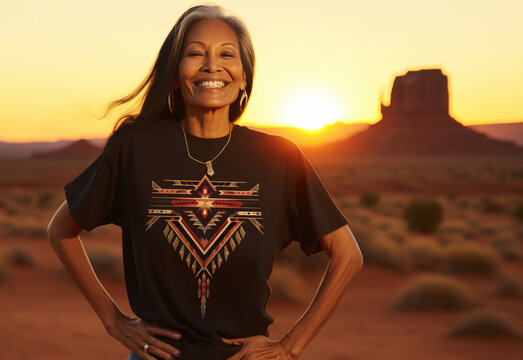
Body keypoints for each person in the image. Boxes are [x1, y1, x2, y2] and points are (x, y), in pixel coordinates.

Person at [47, 4, 364, 360]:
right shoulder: (135, 149)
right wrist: (113, 321)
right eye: (195, 53)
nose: (212, 65)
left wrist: (290, 346)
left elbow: (348, 255)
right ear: (174, 73)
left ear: (244, 77)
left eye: (227, 54)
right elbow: (61, 229)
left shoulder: (279, 158)